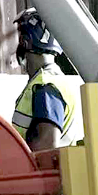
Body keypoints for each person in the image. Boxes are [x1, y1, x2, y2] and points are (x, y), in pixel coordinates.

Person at [12, 8, 78, 150]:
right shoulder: (55, 80)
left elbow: (47, 144)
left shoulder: (45, 85)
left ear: (25, 41)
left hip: (41, 171)